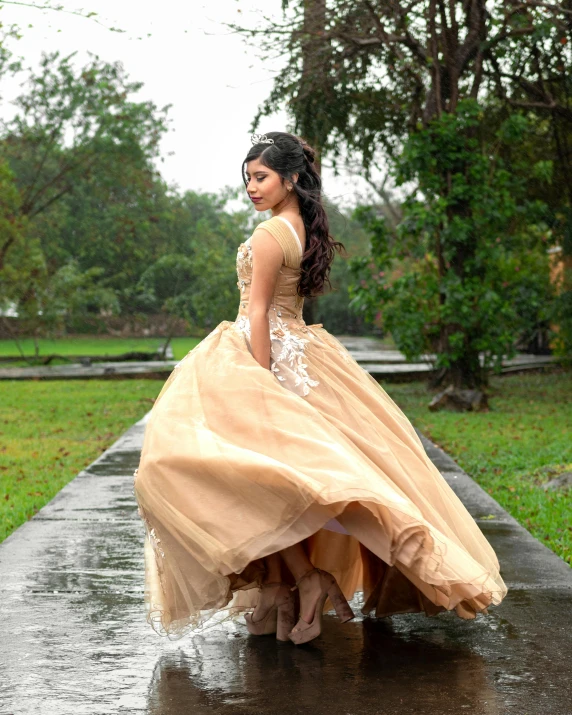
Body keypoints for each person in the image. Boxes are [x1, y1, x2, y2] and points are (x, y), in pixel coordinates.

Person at [134, 131, 507, 646]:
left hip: (262, 352)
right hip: (302, 349)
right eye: (247, 178)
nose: (251, 187)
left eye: (261, 177)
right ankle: (283, 585)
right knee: (276, 477)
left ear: (289, 178)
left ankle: (295, 581)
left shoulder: (269, 236)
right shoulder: (299, 227)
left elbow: (259, 310)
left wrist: (258, 382)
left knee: (205, 469)